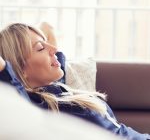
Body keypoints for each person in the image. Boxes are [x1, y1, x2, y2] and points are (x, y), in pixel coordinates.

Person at [0, 22, 149, 140]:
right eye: (40, 48)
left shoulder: (56, 89)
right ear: (19, 69)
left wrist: (41, 39)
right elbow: (8, 79)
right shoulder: (32, 105)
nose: (54, 49)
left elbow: (47, 28)